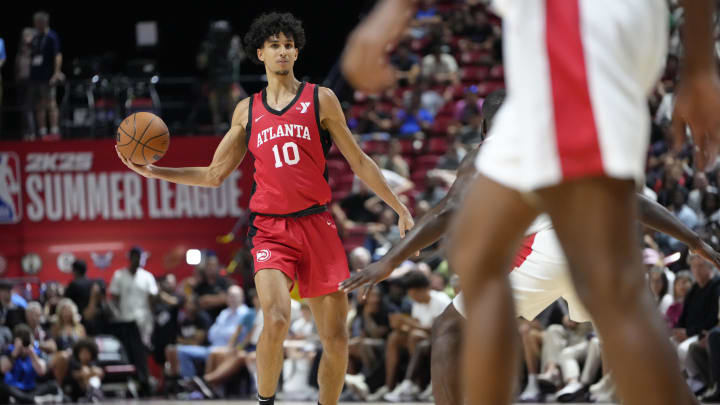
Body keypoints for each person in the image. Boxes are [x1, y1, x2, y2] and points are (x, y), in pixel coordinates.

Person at [341, 0, 720, 404]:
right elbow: (634, 204)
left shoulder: (491, 143)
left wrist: (391, 260)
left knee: (606, 302)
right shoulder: (527, 112)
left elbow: (450, 210)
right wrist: (693, 240)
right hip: (577, 45)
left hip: (584, 25)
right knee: (485, 259)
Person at [116, 12, 414, 405]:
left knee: (337, 339)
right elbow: (213, 174)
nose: (283, 50)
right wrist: (156, 172)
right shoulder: (246, 110)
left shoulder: (320, 98)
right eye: (275, 44)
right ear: (260, 53)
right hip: (271, 228)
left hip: (318, 225)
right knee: (275, 318)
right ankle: (266, 402)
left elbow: (359, 161)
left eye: (289, 44)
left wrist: (399, 208)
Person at [29, 11, 63, 140]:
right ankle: (42, 132)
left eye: (37, 23)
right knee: (39, 104)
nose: (36, 25)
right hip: (36, 77)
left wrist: (56, 72)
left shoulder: (52, 36)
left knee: (51, 103)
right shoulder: (36, 37)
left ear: (43, 22)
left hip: (48, 76)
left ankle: (54, 130)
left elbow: (58, 55)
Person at [15, 27, 36, 140]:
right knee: (22, 108)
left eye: (28, 35)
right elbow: (16, 67)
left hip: (32, 82)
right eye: (24, 36)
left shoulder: (35, 50)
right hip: (20, 82)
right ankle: (25, 132)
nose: (26, 38)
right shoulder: (20, 51)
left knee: (29, 108)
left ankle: (32, 132)